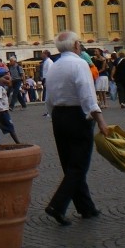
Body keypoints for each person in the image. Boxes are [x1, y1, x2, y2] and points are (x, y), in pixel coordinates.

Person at [44, 31, 109, 226]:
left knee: (69, 164)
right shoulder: (80, 64)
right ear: (76, 46)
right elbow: (87, 95)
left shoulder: (53, 67)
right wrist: (100, 120)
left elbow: (48, 97)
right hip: (77, 116)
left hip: (58, 116)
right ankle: (57, 205)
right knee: (79, 165)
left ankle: (86, 207)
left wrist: (52, 116)